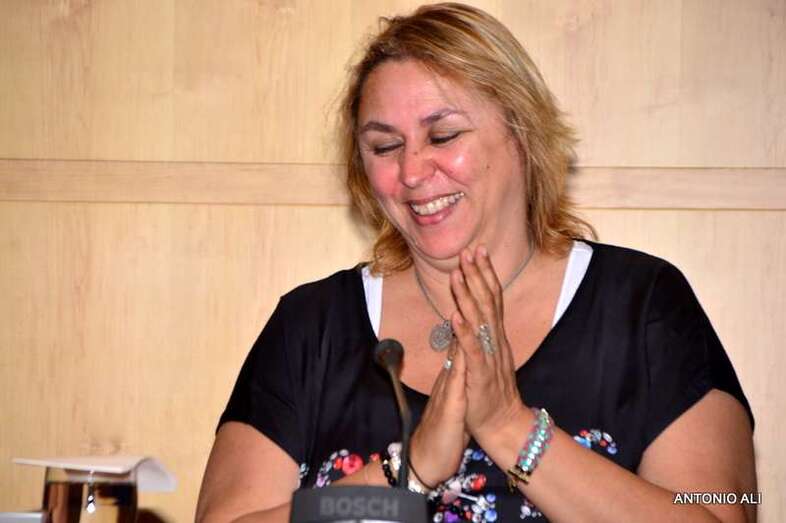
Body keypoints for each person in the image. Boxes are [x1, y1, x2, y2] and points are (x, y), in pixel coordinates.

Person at [196, 3, 756, 522]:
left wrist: (510, 428)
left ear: (522, 132)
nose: (412, 171)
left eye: (443, 135)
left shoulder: (644, 305)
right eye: (385, 147)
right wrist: (404, 473)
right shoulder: (311, 325)